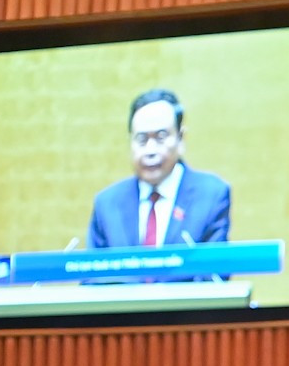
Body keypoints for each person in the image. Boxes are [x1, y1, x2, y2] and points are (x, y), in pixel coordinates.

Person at [87, 89, 232, 249]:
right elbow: (93, 272)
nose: (150, 151)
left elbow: (215, 270)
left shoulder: (211, 195)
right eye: (141, 139)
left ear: (181, 138)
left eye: (161, 137)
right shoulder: (107, 204)